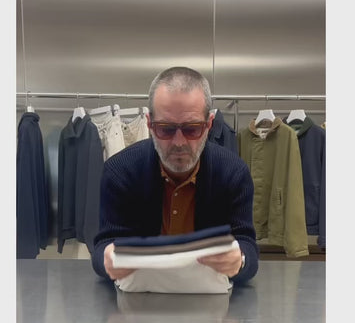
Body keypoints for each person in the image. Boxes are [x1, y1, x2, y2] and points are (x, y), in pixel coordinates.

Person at [91, 66, 258, 283]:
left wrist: (240, 260)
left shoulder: (234, 173)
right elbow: (103, 246)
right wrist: (108, 259)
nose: (179, 143)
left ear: (209, 125)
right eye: (166, 129)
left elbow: (247, 246)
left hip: (210, 296)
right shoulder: (119, 171)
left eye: (192, 129)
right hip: (140, 295)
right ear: (150, 124)